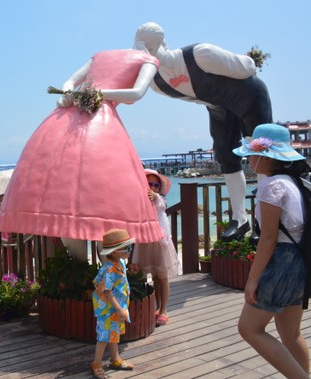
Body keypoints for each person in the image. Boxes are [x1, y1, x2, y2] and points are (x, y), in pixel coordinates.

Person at [0, 46, 163, 259]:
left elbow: (136, 93)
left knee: (105, 189)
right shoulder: (100, 57)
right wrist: (69, 93)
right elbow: (69, 82)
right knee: (69, 183)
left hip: (94, 120)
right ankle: (89, 268)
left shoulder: (147, 60)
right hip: (76, 117)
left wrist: (94, 93)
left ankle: (101, 270)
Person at [133, 22, 273, 241]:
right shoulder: (157, 84)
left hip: (248, 98)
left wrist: (239, 61)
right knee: (225, 156)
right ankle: (240, 218)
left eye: (150, 48)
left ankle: (263, 220)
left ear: (162, 43)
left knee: (260, 153)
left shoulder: (200, 54)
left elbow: (247, 67)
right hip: (218, 107)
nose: (147, 54)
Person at [234, 123, 310, 378]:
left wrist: (252, 280)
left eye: (252, 154)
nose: (249, 159)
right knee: (291, 333)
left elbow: (268, 237)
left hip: (281, 262)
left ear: (266, 156)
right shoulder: (295, 182)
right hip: (301, 262)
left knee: (249, 328)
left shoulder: (272, 186)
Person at [132, 169, 179, 326]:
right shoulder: (139, 200)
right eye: (149, 184)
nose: (152, 188)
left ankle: (163, 310)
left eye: (156, 185)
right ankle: (155, 308)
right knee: (150, 276)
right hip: (145, 241)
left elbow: (162, 205)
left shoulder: (160, 199)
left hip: (161, 241)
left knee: (162, 276)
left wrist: (156, 197)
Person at [91, 229, 136, 379]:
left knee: (113, 333)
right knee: (104, 337)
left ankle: (115, 358)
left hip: (114, 308)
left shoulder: (120, 263)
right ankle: (96, 363)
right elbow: (107, 291)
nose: (130, 250)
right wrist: (119, 309)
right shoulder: (110, 269)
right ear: (115, 251)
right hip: (107, 309)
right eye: (127, 248)